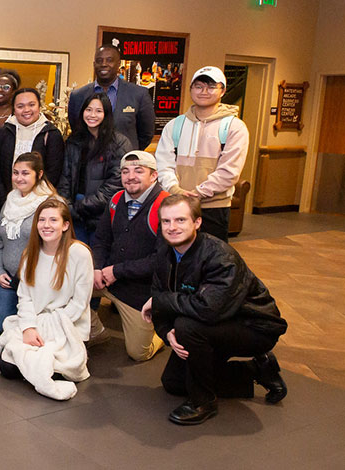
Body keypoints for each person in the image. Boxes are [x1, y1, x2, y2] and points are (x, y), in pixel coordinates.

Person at [144, 195, 287, 425]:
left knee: (187, 326)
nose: (172, 228)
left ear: (197, 222)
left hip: (254, 327)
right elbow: (160, 297)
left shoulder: (220, 257)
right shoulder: (164, 254)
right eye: (166, 222)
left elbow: (208, 309)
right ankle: (256, 369)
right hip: (214, 324)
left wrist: (162, 303)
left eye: (180, 220)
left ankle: (203, 402)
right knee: (173, 382)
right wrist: (167, 331)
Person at [0, 199, 93, 401]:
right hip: (36, 321)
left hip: (65, 324)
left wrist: (48, 328)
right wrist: (28, 327)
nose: (46, 225)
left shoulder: (79, 254)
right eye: (42, 220)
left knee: (59, 368)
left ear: (65, 225)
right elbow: (24, 296)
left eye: (53, 220)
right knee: (7, 367)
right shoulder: (30, 254)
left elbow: (79, 303)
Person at [154, 66, 249, 242]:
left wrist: (198, 193)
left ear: (223, 91)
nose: (204, 91)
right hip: (176, 205)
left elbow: (229, 172)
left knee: (211, 261)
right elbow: (163, 164)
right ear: (191, 90)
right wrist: (176, 190)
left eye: (211, 87)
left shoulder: (234, 127)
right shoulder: (175, 125)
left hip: (214, 209)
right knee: (172, 259)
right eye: (198, 86)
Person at [91, 151, 169, 360]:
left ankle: (161, 334)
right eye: (125, 171)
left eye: (138, 171)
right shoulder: (116, 200)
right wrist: (97, 268)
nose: (130, 176)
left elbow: (161, 260)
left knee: (138, 353)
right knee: (66, 288)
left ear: (154, 176)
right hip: (107, 279)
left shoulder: (167, 207)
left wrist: (117, 271)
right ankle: (95, 330)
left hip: (140, 292)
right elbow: (101, 240)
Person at [0, 152, 60, 332]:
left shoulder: (51, 204)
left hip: (37, 282)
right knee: (0, 325)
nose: (19, 178)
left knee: (38, 328)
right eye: (15, 173)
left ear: (39, 174)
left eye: (25, 173)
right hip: (9, 280)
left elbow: (58, 248)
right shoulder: (10, 200)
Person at [58, 92, 131, 244]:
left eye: (98, 111)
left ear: (106, 114)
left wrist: (81, 206)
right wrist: (67, 206)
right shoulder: (74, 140)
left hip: (103, 213)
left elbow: (116, 183)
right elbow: (65, 176)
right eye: (88, 110)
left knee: (96, 261)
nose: (92, 115)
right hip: (74, 212)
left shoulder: (119, 143)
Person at [0, 88, 65, 213]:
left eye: (31, 105)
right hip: (4, 204)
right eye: (20, 106)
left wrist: (36, 201)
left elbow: (54, 172)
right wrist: (5, 200)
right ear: (14, 109)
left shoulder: (51, 134)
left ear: (39, 106)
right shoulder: (3, 132)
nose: (26, 110)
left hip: (39, 205)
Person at [68, 45, 156, 151]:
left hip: (124, 163)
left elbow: (147, 134)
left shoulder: (139, 94)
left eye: (109, 60)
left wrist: (127, 151)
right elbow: (76, 129)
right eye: (99, 60)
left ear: (118, 64)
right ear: (94, 64)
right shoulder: (78, 96)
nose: (104, 64)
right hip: (88, 162)